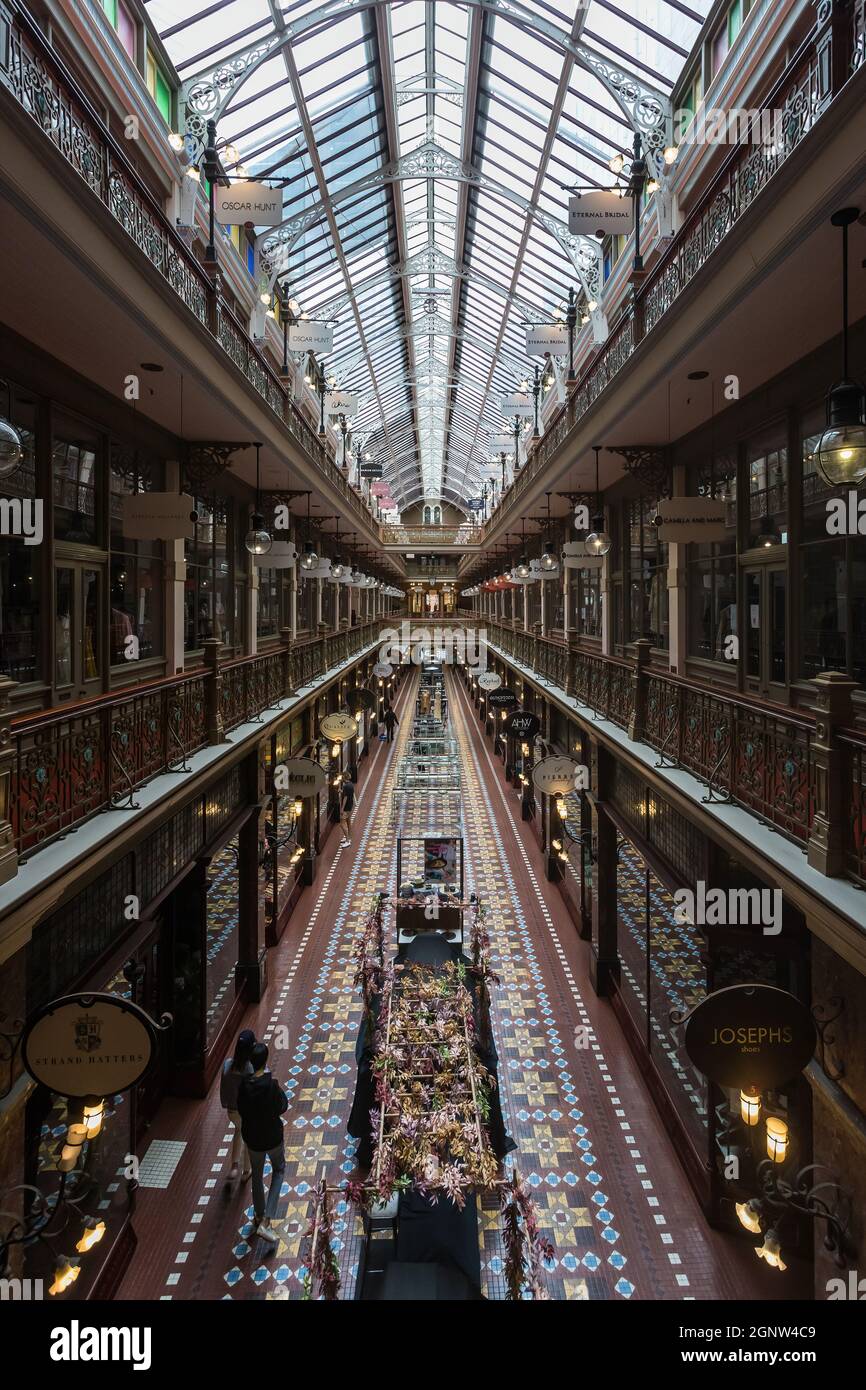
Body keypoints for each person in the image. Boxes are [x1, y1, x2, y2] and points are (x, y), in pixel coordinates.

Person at [237, 1042, 288, 1244]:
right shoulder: (271, 1085)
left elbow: (241, 1110)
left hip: (253, 1139)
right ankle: (267, 1220)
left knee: (257, 1175)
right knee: (279, 1170)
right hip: (273, 1137)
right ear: (265, 1061)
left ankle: (258, 1215)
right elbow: (282, 1106)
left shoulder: (244, 1087)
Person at [220, 1028, 256, 1181]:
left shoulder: (228, 1065)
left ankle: (234, 1165)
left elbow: (223, 1089)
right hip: (246, 1112)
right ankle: (246, 1171)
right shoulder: (248, 1069)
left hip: (231, 1111)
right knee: (249, 1138)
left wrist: (225, 1103)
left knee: (238, 1131)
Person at [339, 767, 357, 847]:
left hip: (346, 807)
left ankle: (347, 840)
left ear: (344, 777)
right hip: (350, 805)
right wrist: (342, 791)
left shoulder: (345, 786)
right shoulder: (350, 784)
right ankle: (348, 837)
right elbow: (350, 794)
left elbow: (345, 798)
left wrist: (342, 809)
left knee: (342, 824)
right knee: (348, 822)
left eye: (342, 777)